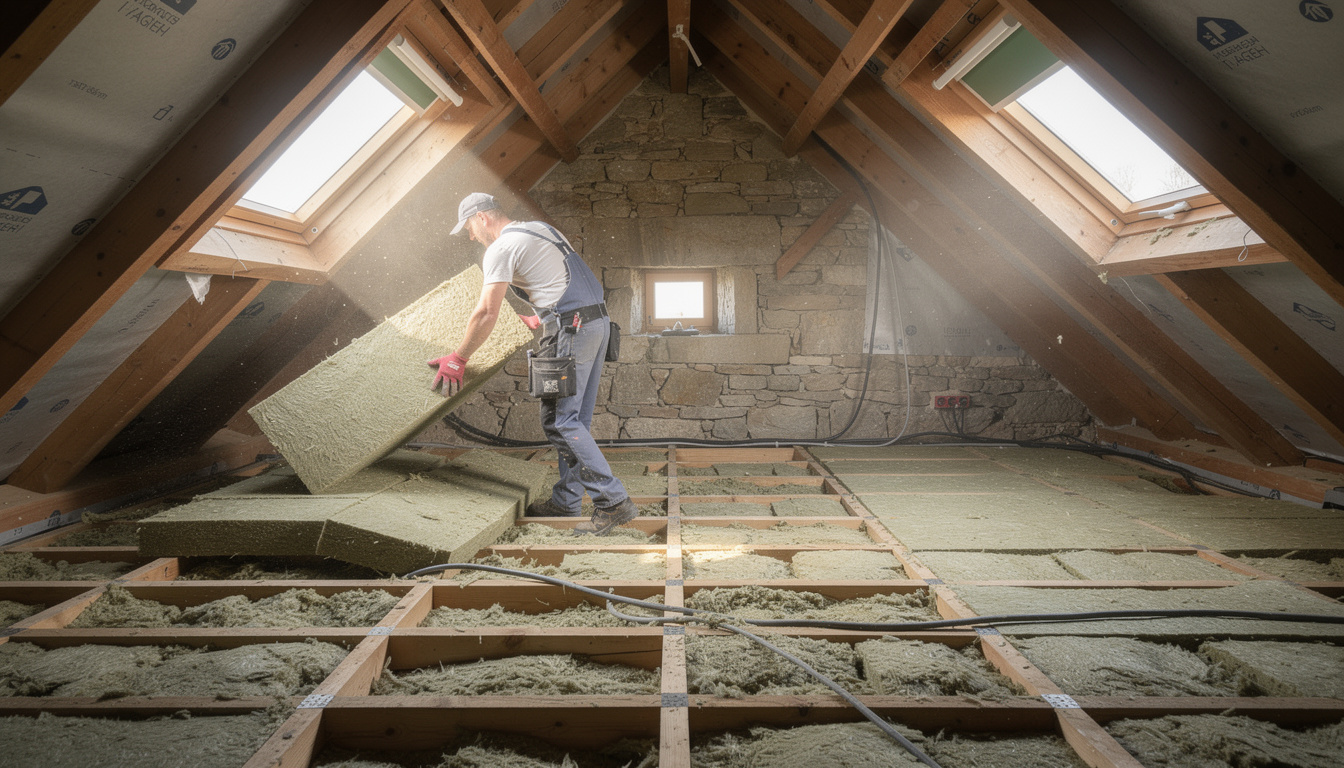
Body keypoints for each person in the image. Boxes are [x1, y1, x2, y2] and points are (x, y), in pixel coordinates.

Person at [428, 192, 637, 536]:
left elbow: (486, 312)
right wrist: (544, 319)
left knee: (558, 421)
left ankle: (612, 503)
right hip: (595, 324)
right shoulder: (540, 229)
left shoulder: (500, 249)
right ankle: (567, 501)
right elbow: (566, 280)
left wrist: (459, 358)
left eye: (468, 227)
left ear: (482, 217)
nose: (470, 236)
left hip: (573, 328)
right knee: (576, 420)